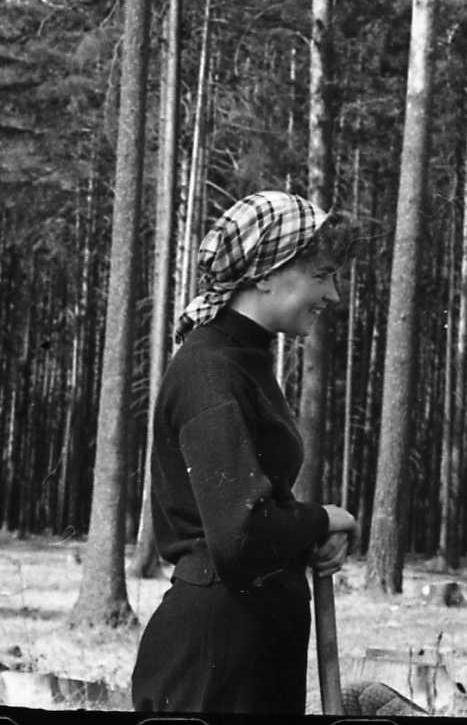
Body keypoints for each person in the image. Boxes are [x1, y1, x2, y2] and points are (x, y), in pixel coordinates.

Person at [131, 190, 360, 714]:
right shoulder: (210, 369)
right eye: (322, 275)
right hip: (212, 660)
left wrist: (309, 538)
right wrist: (325, 518)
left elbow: (248, 513)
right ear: (264, 273)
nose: (333, 295)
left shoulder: (241, 360)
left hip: (248, 648)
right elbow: (241, 537)